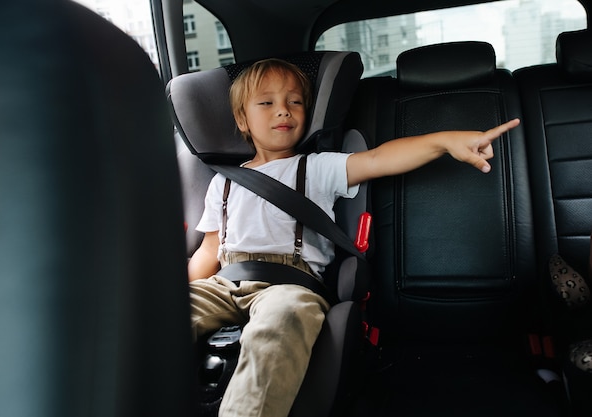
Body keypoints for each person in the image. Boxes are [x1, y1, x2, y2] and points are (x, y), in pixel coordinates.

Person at [188, 58, 520, 417]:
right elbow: (209, 250)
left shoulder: (316, 167)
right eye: (266, 102)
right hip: (224, 283)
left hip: (288, 285)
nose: (283, 110)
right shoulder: (223, 182)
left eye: (295, 101)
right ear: (242, 119)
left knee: (282, 321)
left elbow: (379, 159)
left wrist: (444, 142)